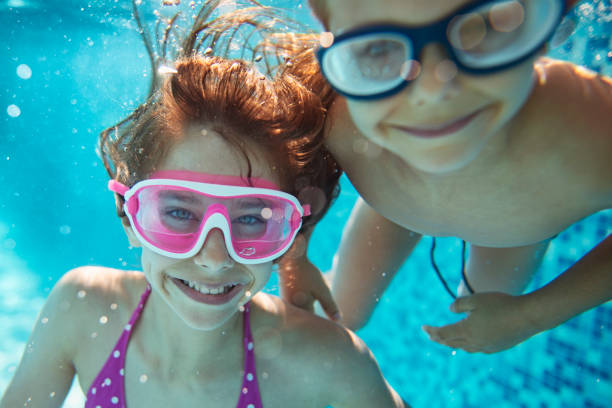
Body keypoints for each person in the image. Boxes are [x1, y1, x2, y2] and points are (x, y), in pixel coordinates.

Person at [0, 2, 406, 407]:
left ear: (292, 233)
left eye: (252, 218)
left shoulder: (328, 363)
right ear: (128, 214)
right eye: (179, 212)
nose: (214, 258)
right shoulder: (82, 309)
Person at [277, 0, 612, 353]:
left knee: (481, 300)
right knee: (343, 313)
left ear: (551, 27)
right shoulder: (329, 116)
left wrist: (529, 316)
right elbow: (293, 171)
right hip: (396, 205)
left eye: (485, 26)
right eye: (377, 49)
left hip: (513, 231)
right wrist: (294, 258)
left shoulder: (591, 138)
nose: (433, 91)